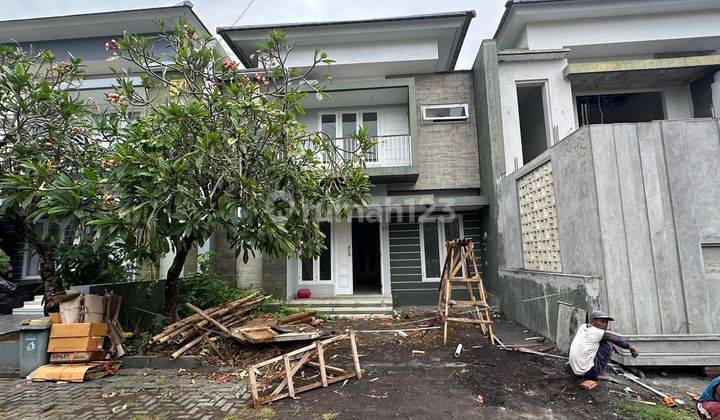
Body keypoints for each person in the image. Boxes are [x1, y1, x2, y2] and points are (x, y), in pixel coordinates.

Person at [569, 310, 639, 387]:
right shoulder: (596, 332)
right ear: (593, 321)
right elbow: (617, 339)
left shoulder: (583, 327)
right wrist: (631, 348)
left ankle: (595, 370)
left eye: (606, 322)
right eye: (602, 321)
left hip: (576, 369)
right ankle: (599, 373)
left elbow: (607, 338)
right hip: (587, 372)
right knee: (608, 344)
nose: (605, 325)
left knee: (607, 341)